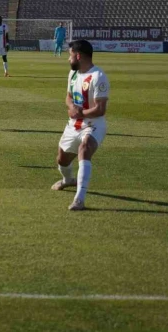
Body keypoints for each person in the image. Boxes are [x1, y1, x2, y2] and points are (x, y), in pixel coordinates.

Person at [51, 40, 109, 211]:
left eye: (70, 55)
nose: (68, 59)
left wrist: (80, 113)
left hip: (93, 124)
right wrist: (71, 107)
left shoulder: (98, 77)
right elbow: (68, 97)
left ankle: (79, 199)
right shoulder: (73, 74)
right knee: (62, 159)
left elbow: (100, 109)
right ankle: (68, 180)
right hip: (73, 125)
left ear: (78, 55)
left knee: (85, 149)